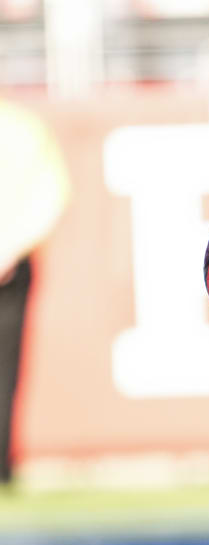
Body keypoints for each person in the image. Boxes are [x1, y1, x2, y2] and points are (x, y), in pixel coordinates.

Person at [0, 100, 70, 487]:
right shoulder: (23, 127)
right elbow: (51, 192)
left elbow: (50, 193)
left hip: (11, 264)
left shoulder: (22, 127)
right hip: (11, 260)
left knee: (4, 370)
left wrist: (11, 248)